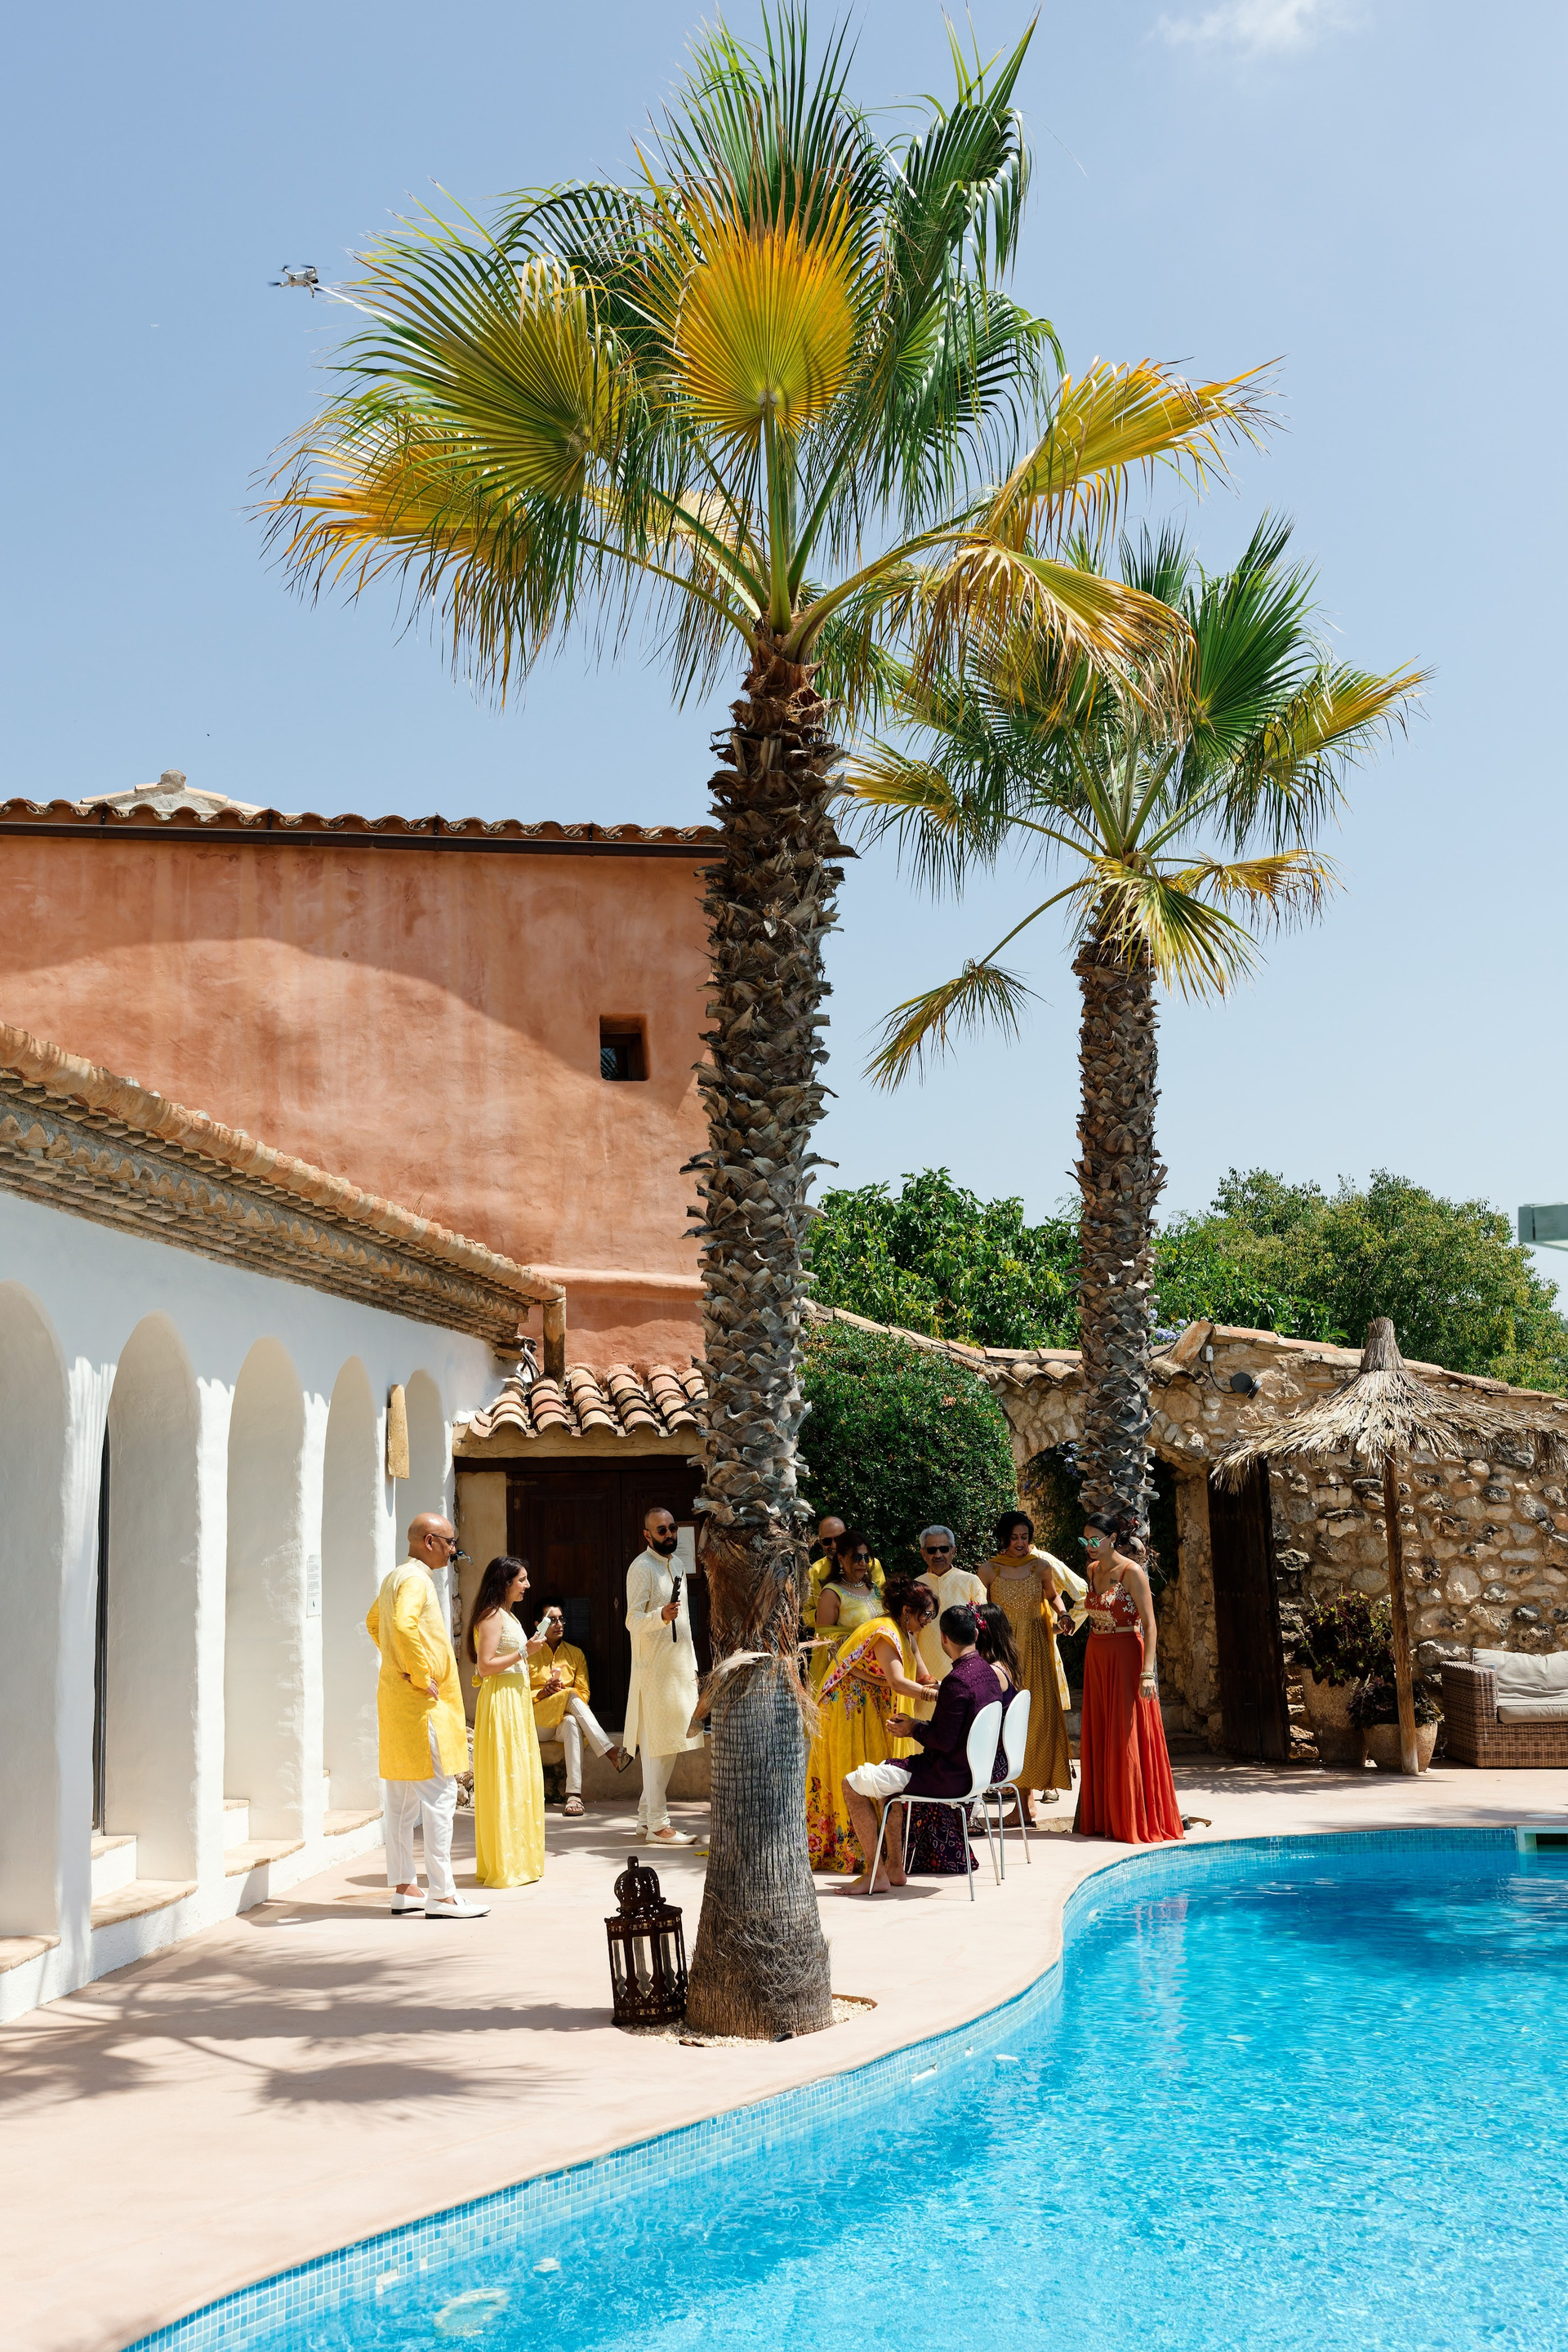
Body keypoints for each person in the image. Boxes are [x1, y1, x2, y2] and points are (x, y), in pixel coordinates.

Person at [365, 1512, 488, 1920]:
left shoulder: (395, 1577)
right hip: (422, 1706)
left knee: (401, 1802)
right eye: (451, 1543)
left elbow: (375, 1623)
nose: (454, 1551)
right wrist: (418, 1672)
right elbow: (400, 1625)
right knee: (440, 1797)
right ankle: (443, 1895)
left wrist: (399, 1664)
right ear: (430, 1541)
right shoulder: (416, 1580)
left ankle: (405, 1887)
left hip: (399, 1705)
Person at [844, 1604, 1004, 1892]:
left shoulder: (957, 1681)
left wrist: (912, 1728)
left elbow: (942, 1741)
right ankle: (894, 1868)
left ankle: (875, 1873)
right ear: (976, 1635)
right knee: (887, 1785)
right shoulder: (988, 1673)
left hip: (946, 1777)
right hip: (975, 1774)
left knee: (851, 1784)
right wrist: (918, 1724)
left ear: (943, 1638)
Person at [805, 1577, 936, 1882]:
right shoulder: (884, 1632)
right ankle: (860, 1856)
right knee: (857, 1775)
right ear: (907, 1610)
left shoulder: (906, 1634)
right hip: (848, 1709)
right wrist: (934, 1696)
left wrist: (949, 1686)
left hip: (873, 1707)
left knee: (882, 1778)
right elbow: (898, 1682)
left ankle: (889, 1862)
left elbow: (922, 1677)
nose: (928, 1621)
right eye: (926, 1614)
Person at [1074, 1511, 1183, 1846]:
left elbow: (1150, 1625)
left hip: (1125, 1656)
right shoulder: (1092, 1570)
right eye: (1085, 1540)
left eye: (1095, 1539)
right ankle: (1105, 1817)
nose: (1089, 1545)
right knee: (1102, 1731)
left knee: (1126, 1735)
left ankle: (1133, 1818)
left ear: (1112, 1538)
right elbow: (1091, 1610)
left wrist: (1148, 1673)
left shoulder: (1131, 1572)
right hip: (1097, 1655)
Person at [978, 1509, 1074, 1819]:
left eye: (1025, 1537)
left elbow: (1053, 1596)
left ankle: (1026, 1802)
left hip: (1035, 1650)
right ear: (1004, 1539)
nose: (1020, 1543)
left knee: (1035, 1718)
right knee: (1007, 1719)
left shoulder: (1040, 1566)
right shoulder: (988, 1570)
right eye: (1014, 1537)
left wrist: (1063, 1614)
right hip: (1002, 1651)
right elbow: (979, 1610)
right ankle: (1022, 1801)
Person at [467, 1555, 550, 1888]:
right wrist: (525, 1651)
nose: (528, 1585)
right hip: (501, 1703)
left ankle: (521, 1859)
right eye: (522, 1579)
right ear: (505, 1582)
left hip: (516, 1702)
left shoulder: (509, 1616)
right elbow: (485, 1666)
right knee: (506, 1776)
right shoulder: (491, 1616)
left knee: (521, 1777)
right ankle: (505, 1863)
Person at [623, 1506, 703, 1846]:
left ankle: (646, 1818)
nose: (669, 1535)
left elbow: (684, 1624)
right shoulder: (641, 1567)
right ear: (647, 1535)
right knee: (657, 1748)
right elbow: (632, 1620)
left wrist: (693, 1666)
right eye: (661, 1530)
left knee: (671, 1745)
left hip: (679, 1669)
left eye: (672, 1528)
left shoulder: (678, 1565)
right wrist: (660, 1615)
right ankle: (658, 1825)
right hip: (653, 1671)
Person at [530, 1605, 632, 1815]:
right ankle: (611, 1751)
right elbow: (517, 1694)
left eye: (561, 1619)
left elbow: (584, 1694)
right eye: (552, 1620)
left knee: (571, 1722)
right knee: (570, 1694)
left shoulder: (575, 1654)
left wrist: (561, 1695)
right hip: (537, 1723)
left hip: (563, 1721)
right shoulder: (527, 1654)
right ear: (538, 1625)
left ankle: (574, 1796)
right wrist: (542, 1693)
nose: (559, 1624)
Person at [912, 1526, 988, 1698]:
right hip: (924, 1671)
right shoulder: (916, 1587)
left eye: (944, 1549)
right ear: (923, 1554)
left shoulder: (971, 1582)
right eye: (932, 1550)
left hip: (967, 1669)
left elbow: (983, 1627)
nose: (938, 1555)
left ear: (953, 1551)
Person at [809, 1530, 884, 1691]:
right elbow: (824, 1641)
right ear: (841, 1559)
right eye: (857, 1557)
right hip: (849, 1683)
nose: (862, 1563)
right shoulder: (831, 1593)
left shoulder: (874, 1589)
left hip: (880, 1676)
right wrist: (860, 1643)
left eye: (866, 1557)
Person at [804, 1515, 883, 1642]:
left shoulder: (872, 1565)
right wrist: (824, 1612)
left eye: (839, 1539)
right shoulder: (814, 1572)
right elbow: (805, 1614)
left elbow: (885, 1601)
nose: (834, 1545)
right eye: (827, 1541)